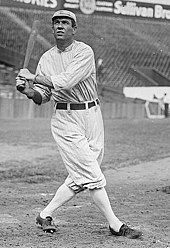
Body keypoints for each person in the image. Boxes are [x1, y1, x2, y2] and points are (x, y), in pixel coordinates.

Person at [16, 10, 142, 239]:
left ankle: (45, 214)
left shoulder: (84, 51)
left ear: (74, 29)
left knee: (81, 174)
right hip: (66, 120)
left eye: (65, 23)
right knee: (91, 174)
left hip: (92, 115)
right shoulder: (46, 58)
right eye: (56, 23)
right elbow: (43, 96)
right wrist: (28, 91)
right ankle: (115, 224)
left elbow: (66, 81)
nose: (60, 26)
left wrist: (33, 77)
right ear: (52, 28)